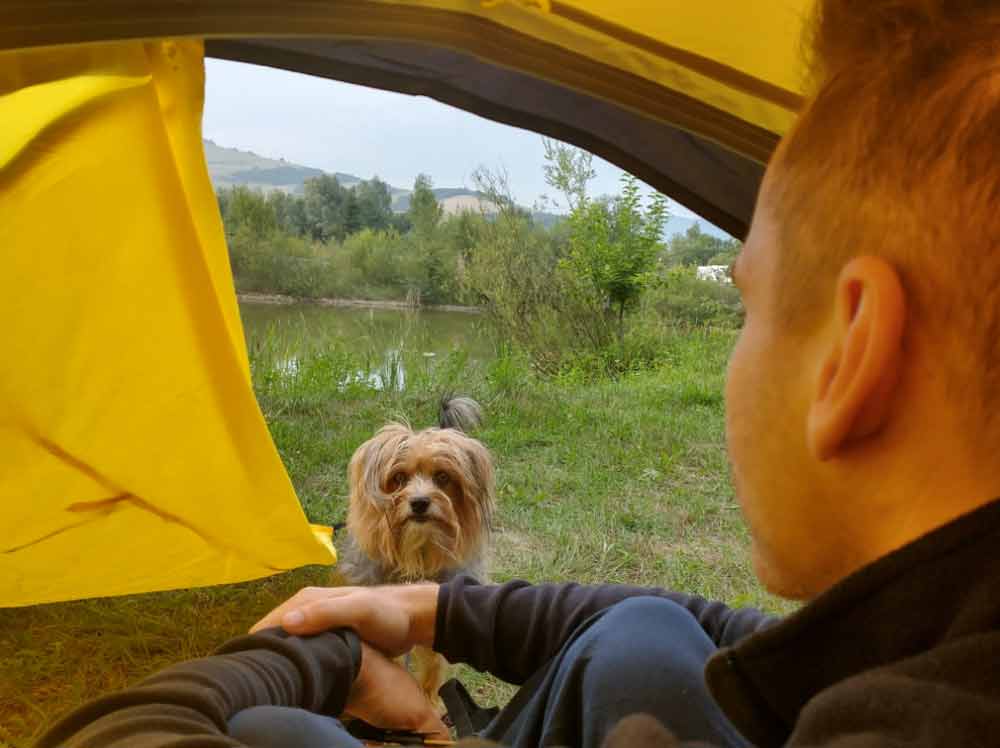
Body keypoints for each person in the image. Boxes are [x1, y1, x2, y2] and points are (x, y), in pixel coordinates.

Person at [37, 0, 1000, 745]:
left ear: (852, 354)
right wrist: (431, 606)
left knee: (264, 731)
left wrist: (304, 667)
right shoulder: (944, 648)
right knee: (650, 634)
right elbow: (722, 627)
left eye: (747, 305)